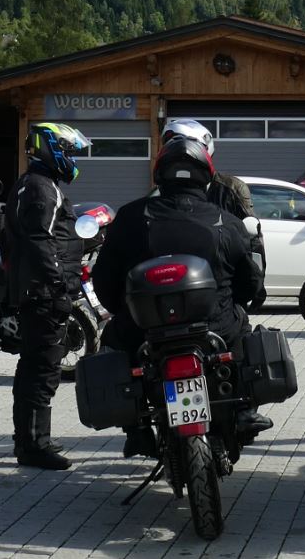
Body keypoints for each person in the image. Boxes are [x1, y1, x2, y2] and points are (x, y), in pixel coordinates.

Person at [92, 136, 270, 457]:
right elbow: (250, 284)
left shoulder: (129, 217)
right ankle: (244, 409)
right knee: (244, 330)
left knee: (112, 341)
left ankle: (136, 429)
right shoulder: (226, 222)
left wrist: (125, 311)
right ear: (206, 176)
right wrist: (240, 300)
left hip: (143, 331)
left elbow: (104, 280)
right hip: (215, 328)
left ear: (160, 174)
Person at [6, 122, 92, 470]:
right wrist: (58, 286)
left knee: (33, 367)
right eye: (68, 151)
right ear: (50, 149)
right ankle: (33, 447)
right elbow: (40, 240)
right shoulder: (42, 189)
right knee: (42, 370)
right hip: (43, 293)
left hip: (35, 290)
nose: (72, 158)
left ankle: (29, 439)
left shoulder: (33, 184)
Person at [161, 118, 264, 300]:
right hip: (168, 292)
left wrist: (254, 290)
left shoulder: (232, 190)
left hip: (220, 293)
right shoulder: (153, 200)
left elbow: (252, 242)